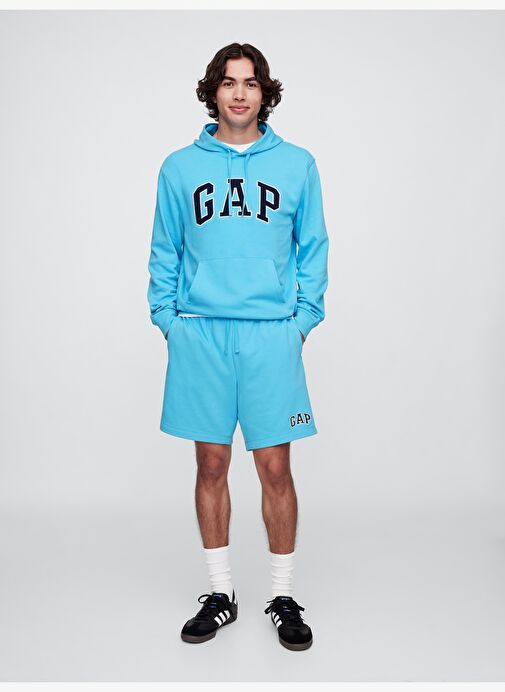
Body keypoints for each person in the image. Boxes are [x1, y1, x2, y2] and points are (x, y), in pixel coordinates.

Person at [147, 42, 329, 651]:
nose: (240, 93)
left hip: (270, 334)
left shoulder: (297, 165)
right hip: (201, 331)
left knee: (275, 466)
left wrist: (301, 320)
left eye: (250, 82)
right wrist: (168, 319)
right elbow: (165, 248)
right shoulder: (179, 168)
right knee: (211, 464)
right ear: (213, 92)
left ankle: (283, 594)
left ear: (265, 92)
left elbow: (314, 246)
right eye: (229, 82)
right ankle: (220, 593)